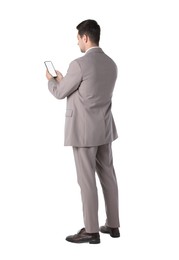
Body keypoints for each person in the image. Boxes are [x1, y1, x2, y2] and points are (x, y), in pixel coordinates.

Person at [46, 19, 120, 244]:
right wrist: (65, 80)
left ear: (85, 37)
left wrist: (52, 81)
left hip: (84, 132)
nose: (77, 41)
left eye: (78, 37)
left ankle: (91, 231)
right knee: (108, 176)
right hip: (104, 129)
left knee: (86, 180)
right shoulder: (111, 63)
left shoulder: (79, 64)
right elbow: (89, 91)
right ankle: (113, 226)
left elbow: (61, 93)